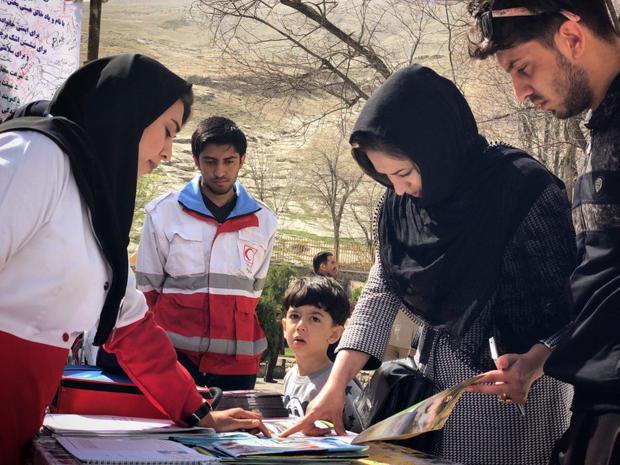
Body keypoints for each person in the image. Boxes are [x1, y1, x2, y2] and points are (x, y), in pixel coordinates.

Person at [282, 65, 577, 465]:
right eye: (386, 178)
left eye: (403, 172)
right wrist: (336, 383)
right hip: (427, 406)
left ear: (436, 148)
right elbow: (380, 293)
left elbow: (573, 302)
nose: (400, 189)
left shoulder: (522, 190)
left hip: (511, 399)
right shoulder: (402, 207)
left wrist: (535, 363)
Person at [0, 54, 269, 464]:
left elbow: (133, 329)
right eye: (166, 131)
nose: (165, 153)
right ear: (129, 114)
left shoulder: (96, 204)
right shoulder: (37, 155)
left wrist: (199, 413)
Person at [466, 1, 620, 463]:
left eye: (523, 67)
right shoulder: (602, 127)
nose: (519, 93)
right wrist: (540, 358)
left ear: (572, 37)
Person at [134, 116, 277, 391]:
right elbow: (148, 292)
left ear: (243, 160)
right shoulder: (163, 213)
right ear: (196, 161)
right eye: (210, 161)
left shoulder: (265, 221)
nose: (220, 171)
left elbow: (254, 293)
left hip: (239, 365)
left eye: (229, 161)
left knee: (235, 434)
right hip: (175, 359)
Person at [281, 276, 363, 433]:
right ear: (285, 327)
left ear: (334, 334)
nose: (300, 326)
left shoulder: (341, 384)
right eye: (295, 316)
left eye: (314, 318)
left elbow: (361, 437)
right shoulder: (289, 376)